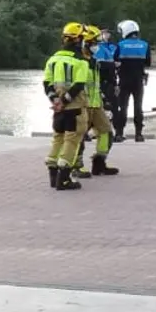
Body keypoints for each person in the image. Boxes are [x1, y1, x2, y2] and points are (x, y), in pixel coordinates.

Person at [43, 24, 92, 191]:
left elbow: (47, 83)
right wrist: (64, 101)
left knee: (58, 137)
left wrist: (55, 101)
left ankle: (53, 174)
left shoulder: (53, 59)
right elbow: (78, 85)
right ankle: (63, 179)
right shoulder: (81, 61)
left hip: (58, 109)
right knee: (72, 140)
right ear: (78, 40)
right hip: (75, 108)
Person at [79, 26, 119, 176]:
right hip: (82, 105)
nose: (96, 46)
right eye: (93, 43)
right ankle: (76, 166)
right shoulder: (79, 61)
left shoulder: (94, 61)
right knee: (79, 136)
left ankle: (99, 163)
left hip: (96, 104)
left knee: (107, 133)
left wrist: (104, 99)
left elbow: (97, 83)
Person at [115, 20, 151, 142]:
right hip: (138, 80)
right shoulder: (145, 45)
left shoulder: (121, 45)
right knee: (138, 107)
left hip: (124, 80)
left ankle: (119, 133)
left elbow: (115, 61)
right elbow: (148, 62)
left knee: (122, 106)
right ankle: (139, 134)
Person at [92, 29, 120, 120]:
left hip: (112, 77)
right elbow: (101, 64)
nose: (106, 35)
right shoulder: (98, 47)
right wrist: (112, 64)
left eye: (108, 33)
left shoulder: (112, 47)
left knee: (113, 105)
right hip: (102, 79)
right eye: (104, 33)